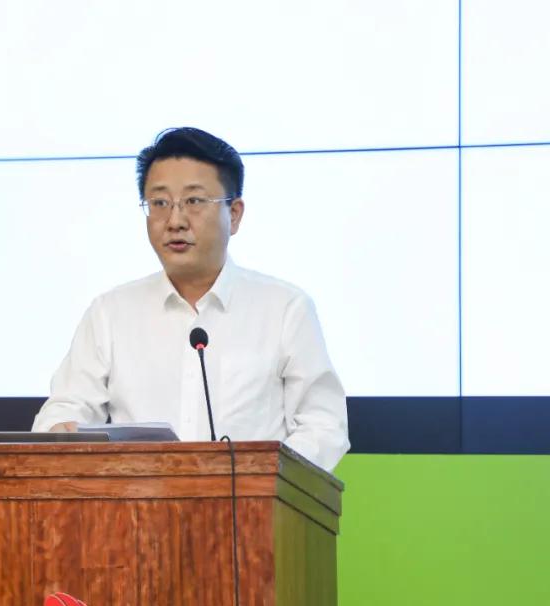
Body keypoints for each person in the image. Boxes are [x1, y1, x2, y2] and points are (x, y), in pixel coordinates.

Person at [31, 127, 350, 471]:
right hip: (136, 502)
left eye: (194, 201)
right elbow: (64, 411)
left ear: (234, 214)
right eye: (159, 203)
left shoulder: (285, 309)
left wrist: (261, 479)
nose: (175, 221)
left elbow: (323, 426)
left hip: (247, 502)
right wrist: (60, 432)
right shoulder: (110, 313)